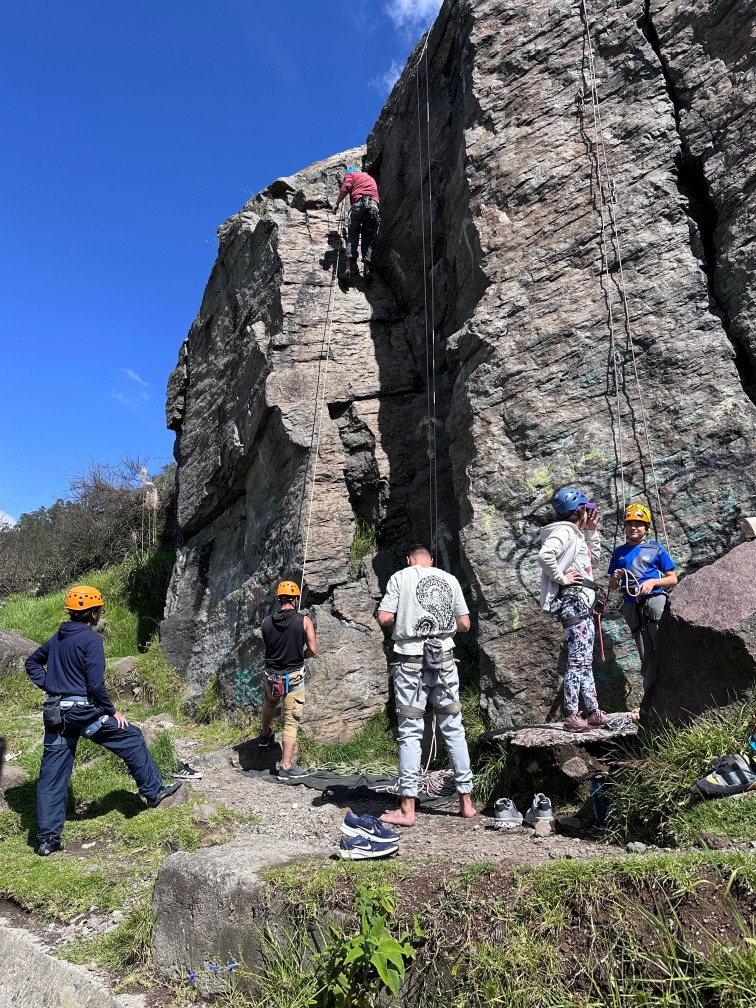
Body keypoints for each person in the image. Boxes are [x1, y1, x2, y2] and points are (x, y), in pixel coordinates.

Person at [25, 585, 181, 856]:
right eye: (99, 610)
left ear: (72, 612)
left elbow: (31, 663)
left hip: (56, 714)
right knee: (131, 737)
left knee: (52, 775)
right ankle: (154, 792)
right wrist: (111, 710)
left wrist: (51, 686)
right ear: (94, 614)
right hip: (82, 713)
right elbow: (96, 686)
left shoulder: (59, 637)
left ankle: (48, 840)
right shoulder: (91, 640)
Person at [376, 545, 476, 827]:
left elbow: (384, 617)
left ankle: (407, 808)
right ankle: (466, 803)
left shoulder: (400, 577)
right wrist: (439, 626)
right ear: (430, 561)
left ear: (409, 560)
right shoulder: (450, 579)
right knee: (454, 728)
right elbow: (465, 624)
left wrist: (405, 618)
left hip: (411, 663)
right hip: (445, 661)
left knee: (410, 732)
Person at [538, 488, 610, 733]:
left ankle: (594, 712)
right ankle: (571, 714)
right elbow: (545, 556)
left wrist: (591, 532)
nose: (590, 513)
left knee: (585, 661)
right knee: (578, 660)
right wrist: (562, 578)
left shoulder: (575, 533)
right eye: (586, 510)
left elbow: (594, 558)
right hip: (575, 601)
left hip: (582, 602)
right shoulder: (564, 531)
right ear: (579, 511)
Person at [608, 503, 677, 693]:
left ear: (646, 527)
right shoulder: (619, 553)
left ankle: (674, 692)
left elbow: (672, 579)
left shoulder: (656, 549)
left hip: (654, 599)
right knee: (645, 654)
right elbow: (613, 586)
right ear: (624, 527)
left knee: (663, 646)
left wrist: (653, 582)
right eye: (629, 524)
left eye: (638, 524)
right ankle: (651, 697)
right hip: (631, 603)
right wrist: (615, 578)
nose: (633, 528)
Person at [258, 580, 317, 780]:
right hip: (293, 677)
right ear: (295, 600)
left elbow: (268, 646)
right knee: (291, 719)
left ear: (279, 600)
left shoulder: (265, 622)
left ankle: (264, 735)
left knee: (269, 703)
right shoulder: (304, 621)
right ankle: (286, 766)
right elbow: (312, 649)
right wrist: (301, 655)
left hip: (272, 676)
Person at [332, 165, 380, 283]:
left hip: (358, 206)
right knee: (367, 239)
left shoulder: (351, 175)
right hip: (373, 208)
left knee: (352, 237)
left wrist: (337, 203)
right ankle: (367, 271)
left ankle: (347, 270)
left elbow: (346, 188)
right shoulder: (370, 178)